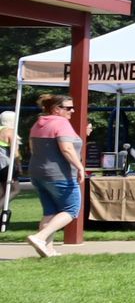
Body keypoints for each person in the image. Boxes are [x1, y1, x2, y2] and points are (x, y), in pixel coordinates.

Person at [25, 93, 84, 258]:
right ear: (56, 109)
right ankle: (40, 237)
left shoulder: (38, 123)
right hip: (59, 175)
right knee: (71, 210)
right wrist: (79, 167)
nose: (72, 110)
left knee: (50, 211)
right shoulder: (61, 123)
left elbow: (32, 147)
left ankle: (48, 249)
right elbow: (66, 148)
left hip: (37, 173)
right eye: (68, 108)